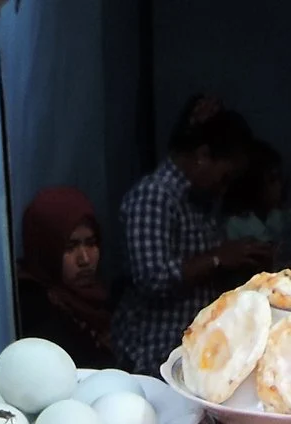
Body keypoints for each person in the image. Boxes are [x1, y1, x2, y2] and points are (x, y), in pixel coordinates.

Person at [111, 102, 273, 374]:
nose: (224, 188)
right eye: (225, 177)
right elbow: (152, 278)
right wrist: (218, 258)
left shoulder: (199, 200)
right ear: (203, 156)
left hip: (191, 347)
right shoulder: (154, 196)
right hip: (153, 353)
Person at [16, 188, 118, 368]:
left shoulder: (93, 300)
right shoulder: (36, 313)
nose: (85, 259)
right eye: (70, 247)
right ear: (46, 250)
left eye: (91, 243)